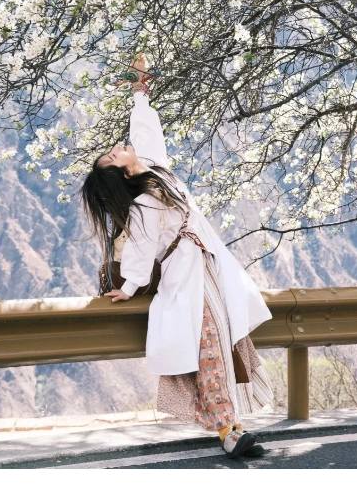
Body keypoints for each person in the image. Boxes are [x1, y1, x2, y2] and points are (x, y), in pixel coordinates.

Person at [80, 53, 274, 459]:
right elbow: (141, 246)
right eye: (113, 157)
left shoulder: (158, 174)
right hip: (187, 277)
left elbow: (147, 135)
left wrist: (140, 92)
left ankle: (234, 426)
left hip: (207, 268)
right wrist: (130, 286)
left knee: (223, 342)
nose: (117, 148)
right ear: (124, 174)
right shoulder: (144, 203)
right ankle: (228, 431)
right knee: (210, 347)